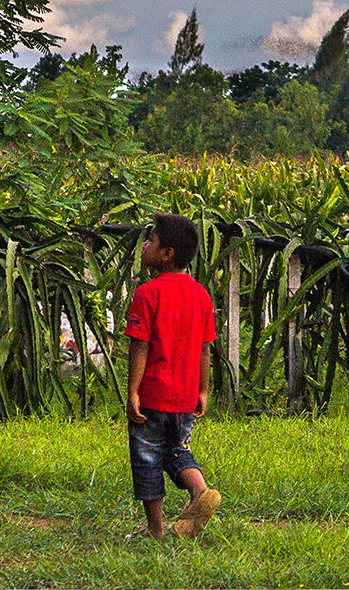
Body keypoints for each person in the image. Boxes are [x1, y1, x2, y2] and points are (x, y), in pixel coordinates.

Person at [125, 214, 223, 539]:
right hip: (184, 397)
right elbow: (205, 350)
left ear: (166, 253)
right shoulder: (201, 295)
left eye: (150, 241)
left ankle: (156, 529)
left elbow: (139, 347)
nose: (144, 245)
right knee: (179, 451)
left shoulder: (146, 294)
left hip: (153, 395)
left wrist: (133, 392)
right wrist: (203, 391)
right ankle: (200, 491)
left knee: (148, 457)